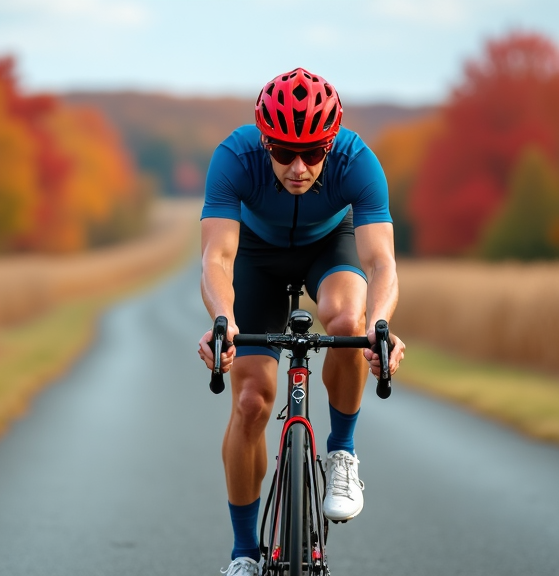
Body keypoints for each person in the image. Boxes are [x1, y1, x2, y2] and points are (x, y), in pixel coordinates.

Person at [196, 68, 406, 576]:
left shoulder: (358, 161)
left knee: (347, 320)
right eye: (284, 152)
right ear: (264, 141)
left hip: (328, 249)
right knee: (250, 400)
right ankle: (244, 554)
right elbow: (218, 259)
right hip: (256, 257)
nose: (297, 167)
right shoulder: (234, 157)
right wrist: (223, 322)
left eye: (313, 153)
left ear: (330, 145)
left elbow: (381, 264)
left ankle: (342, 455)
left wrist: (379, 329)